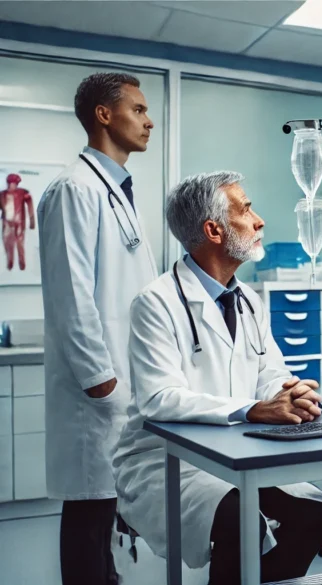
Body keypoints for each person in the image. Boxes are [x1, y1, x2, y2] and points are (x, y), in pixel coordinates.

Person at [112, 171, 322, 584]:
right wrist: (253, 409)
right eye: (246, 209)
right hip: (165, 461)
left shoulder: (250, 302)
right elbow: (159, 398)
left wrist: (291, 394)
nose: (259, 220)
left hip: (235, 455)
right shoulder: (156, 303)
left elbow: (270, 373)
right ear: (213, 230)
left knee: (317, 511)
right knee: (241, 521)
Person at [37, 71, 159, 585]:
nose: (149, 121)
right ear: (104, 115)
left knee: (106, 518)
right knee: (89, 521)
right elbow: (71, 296)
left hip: (123, 388)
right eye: (137, 109)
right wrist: (101, 381)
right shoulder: (75, 189)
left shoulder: (116, 191)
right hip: (99, 394)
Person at [1, 173, 36, 271]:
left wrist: (32, 221)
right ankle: (10, 263)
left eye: (14, 183)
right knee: (8, 243)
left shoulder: (23, 193)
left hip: (19, 222)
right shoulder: (2, 194)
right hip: (7, 223)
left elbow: (30, 206)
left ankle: (22, 263)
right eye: (10, 183)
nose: (12, 185)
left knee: (19, 243)